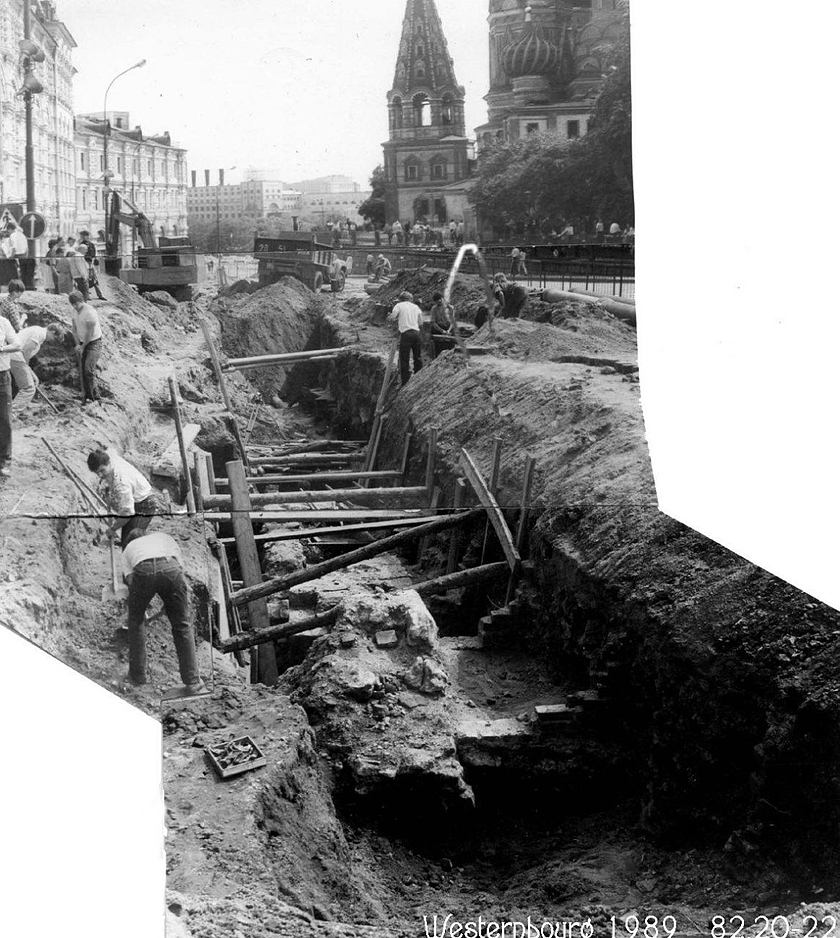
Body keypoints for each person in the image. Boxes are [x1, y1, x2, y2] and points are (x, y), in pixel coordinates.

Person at [121, 528, 207, 696]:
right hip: (171, 569)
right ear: (147, 535)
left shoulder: (128, 549)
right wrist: (172, 604)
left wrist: (139, 608)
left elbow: (132, 582)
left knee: (136, 622)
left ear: (130, 541)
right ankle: (193, 682)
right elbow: (180, 569)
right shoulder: (163, 538)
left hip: (143, 570)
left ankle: (138, 676)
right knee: (182, 625)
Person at [88, 447, 165, 544]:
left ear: (109, 462)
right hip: (135, 495)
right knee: (126, 538)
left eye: (102, 470)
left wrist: (113, 528)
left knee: (132, 540)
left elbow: (128, 512)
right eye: (97, 472)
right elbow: (111, 449)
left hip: (145, 504)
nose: (100, 475)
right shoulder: (109, 455)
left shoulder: (121, 483)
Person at [9, 323, 61, 410]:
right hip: (15, 357)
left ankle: (10, 409)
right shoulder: (39, 334)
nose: (52, 341)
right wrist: (29, 372)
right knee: (29, 388)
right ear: (52, 331)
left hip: (14, 356)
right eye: (55, 338)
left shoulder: (38, 331)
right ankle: (13, 412)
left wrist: (31, 373)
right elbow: (26, 352)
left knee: (26, 383)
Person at [68, 290, 102, 403]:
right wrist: (77, 344)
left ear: (82, 301)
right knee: (82, 370)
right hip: (82, 342)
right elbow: (74, 329)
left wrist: (82, 347)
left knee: (88, 369)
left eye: (76, 304)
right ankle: (87, 395)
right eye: (72, 304)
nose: (75, 306)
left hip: (94, 342)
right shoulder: (74, 311)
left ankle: (93, 398)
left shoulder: (90, 312)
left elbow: (90, 333)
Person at [0, 316, 22, 477]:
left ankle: (4, 460)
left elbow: (17, 344)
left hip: (2, 377)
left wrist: (2, 348)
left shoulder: (3, 323)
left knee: (5, 420)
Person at [388, 291, 423, 386]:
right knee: (418, 357)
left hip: (406, 334)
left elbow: (393, 317)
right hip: (416, 333)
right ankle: (419, 378)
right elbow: (420, 322)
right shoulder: (416, 307)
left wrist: (390, 317)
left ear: (400, 299)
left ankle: (405, 381)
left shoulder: (399, 306)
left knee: (404, 358)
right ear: (410, 299)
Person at [428, 291, 453, 358]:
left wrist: (448, 330)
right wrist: (442, 331)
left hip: (447, 327)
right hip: (438, 328)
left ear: (442, 298)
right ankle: (437, 356)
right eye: (437, 301)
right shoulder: (434, 309)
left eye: (440, 300)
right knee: (438, 345)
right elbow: (433, 322)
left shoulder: (450, 308)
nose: (439, 302)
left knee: (450, 343)